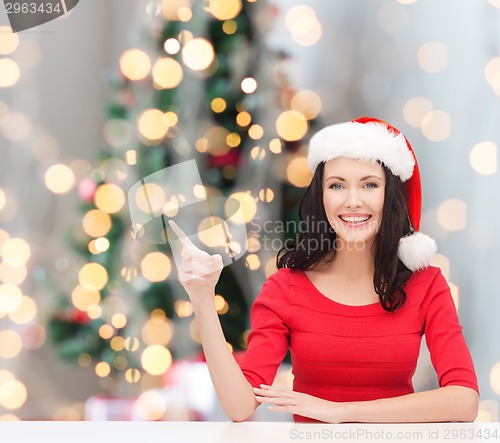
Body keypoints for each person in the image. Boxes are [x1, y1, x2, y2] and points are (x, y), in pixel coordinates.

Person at [168, 116, 479, 423]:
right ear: (322, 196)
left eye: (369, 184)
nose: (352, 201)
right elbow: (240, 406)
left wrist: (340, 412)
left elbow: (464, 400)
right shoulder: (285, 288)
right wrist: (203, 299)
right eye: (337, 185)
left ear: (390, 195)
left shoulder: (426, 284)